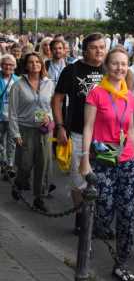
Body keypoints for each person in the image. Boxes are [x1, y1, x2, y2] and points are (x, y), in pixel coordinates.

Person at [79, 47, 134, 281]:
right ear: (106, 65)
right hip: (103, 161)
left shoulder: (130, 96)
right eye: (115, 63)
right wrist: (85, 158)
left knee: (127, 214)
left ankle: (122, 262)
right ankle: (86, 247)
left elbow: (131, 130)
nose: (120, 68)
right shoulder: (96, 93)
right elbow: (88, 127)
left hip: (128, 162)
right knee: (102, 209)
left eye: (124, 64)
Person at [52, 33, 106, 233]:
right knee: (79, 178)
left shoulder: (109, 68)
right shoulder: (72, 70)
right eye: (94, 47)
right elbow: (57, 99)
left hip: (105, 135)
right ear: (85, 50)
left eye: (102, 47)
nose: (99, 51)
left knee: (103, 177)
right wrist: (59, 127)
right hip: (77, 132)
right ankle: (80, 216)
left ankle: (98, 219)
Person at [9, 52, 54, 212]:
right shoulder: (18, 85)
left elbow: (52, 107)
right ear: (26, 65)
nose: (35, 65)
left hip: (44, 130)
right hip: (25, 129)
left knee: (43, 165)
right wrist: (15, 134)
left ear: (41, 64)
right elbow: (12, 112)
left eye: (37, 62)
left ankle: (39, 198)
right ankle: (19, 183)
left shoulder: (49, 84)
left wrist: (49, 118)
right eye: (31, 62)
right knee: (25, 165)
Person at [0, 54, 19, 180]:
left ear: (15, 66)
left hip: (13, 118)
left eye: (11, 64)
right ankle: (4, 163)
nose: (8, 66)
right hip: (0, 117)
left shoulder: (18, 80)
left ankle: (10, 165)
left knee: (12, 143)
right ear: (1, 65)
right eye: (5, 64)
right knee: (1, 143)